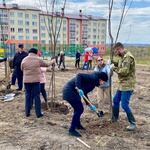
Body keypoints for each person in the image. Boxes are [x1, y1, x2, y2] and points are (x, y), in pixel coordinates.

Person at [62, 71, 108, 137]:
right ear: (100, 79)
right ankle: (71, 130)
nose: (103, 83)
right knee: (79, 109)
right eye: (104, 81)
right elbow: (79, 74)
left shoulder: (93, 83)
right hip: (70, 90)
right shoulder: (92, 77)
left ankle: (77, 125)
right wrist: (78, 88)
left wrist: (89, 104)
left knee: (77, 108)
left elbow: (84, 92)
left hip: (72, 91)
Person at [21, 48, 55, 118]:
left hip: (26, 81)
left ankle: (27, 112)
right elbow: (47, 64)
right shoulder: (38, 59)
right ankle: (38, 113)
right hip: (35, 81)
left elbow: (22, 68)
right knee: (37, 95)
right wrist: (52, 61)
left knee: (27, 95)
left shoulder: (24, 59)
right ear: (36, 53)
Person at [111, 42, 136, 131]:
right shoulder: (122, 57)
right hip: (122, 84)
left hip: (127, 85)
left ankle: (132, 123)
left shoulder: (128, 57)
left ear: (119, 49)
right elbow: (120, 64)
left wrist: (113, 68)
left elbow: (124, 71)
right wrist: (113, 62)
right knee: (115, 100)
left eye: (116, 52)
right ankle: (115, 118)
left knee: (124, 105)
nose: (115, 54)